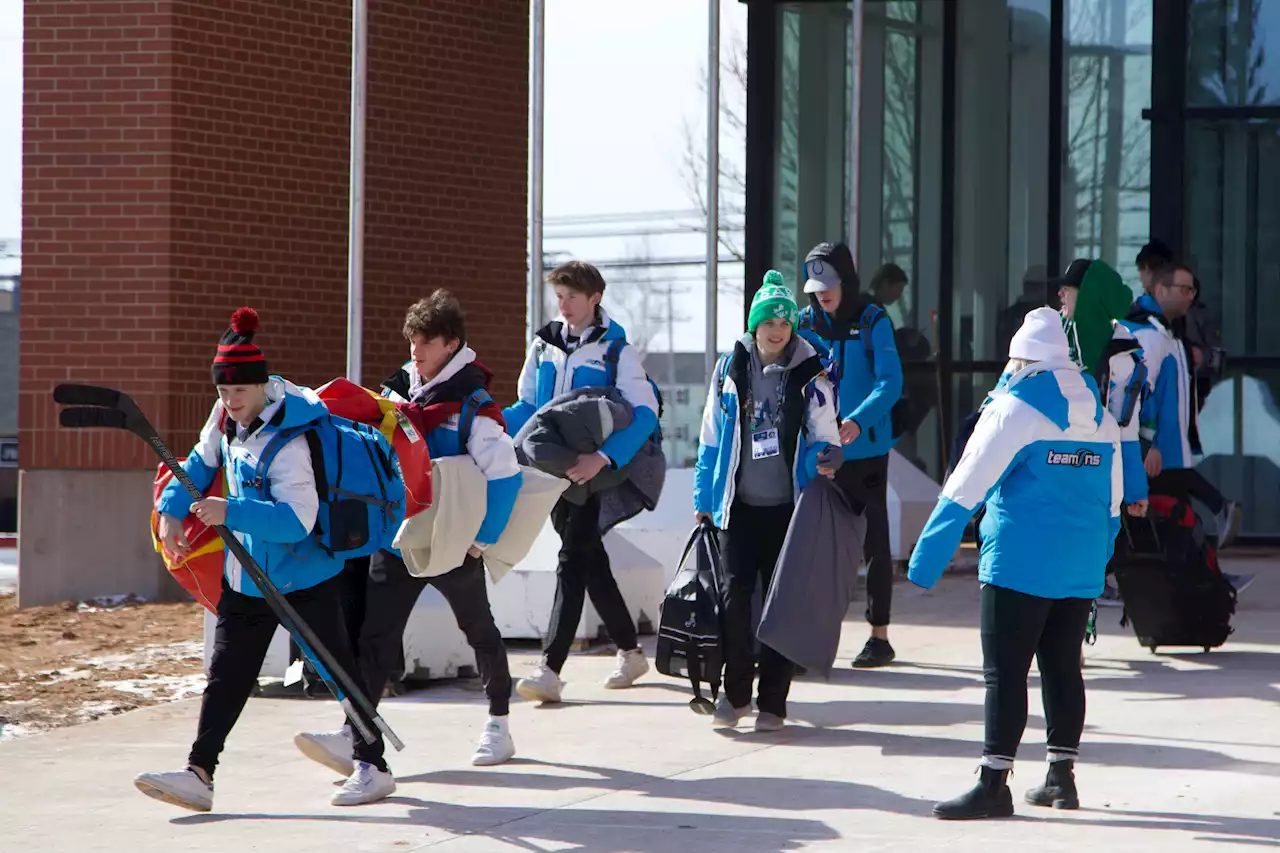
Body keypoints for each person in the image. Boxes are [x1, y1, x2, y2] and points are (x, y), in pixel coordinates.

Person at [136, 308, 393, 811]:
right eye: (223, 392)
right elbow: (199, 461)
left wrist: (229, 510)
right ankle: (199, 773)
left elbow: (297, 519)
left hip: (303, 574)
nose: (230, 402)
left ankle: (374, 766)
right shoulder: (225, 418)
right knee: (227, 676)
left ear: (262, 386)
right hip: (247, 576)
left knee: (338, 671)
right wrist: (169, 512)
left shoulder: (289, 437)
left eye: (239, 392)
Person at [908, 307, 1126, 820]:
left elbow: (967, 483)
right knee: (1062, 669)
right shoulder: (1101, 414)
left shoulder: (1015, 406)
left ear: (1020, 357)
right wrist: (1099, 555)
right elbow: (1114, 500)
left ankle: (993, 783)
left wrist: (925, 560)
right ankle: (1060, 777)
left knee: (1005, 673)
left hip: (1018, 563)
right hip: (1079, 566)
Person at [294, 291, 523, 776]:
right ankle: (356, 737)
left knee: (477, 629)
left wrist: (482, 539)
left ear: (452, 343)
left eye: (425, 342)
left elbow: (506, 475)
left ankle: (499, 722)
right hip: (401, 535)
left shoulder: (474, 405)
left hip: (454, 538)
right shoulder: (398, 389)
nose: (415, 351)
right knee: (375, 637)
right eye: (412, 341)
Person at [505, 261, 660, 703]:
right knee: (590, 559)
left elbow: (644, 414)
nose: (564, 305)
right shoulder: (544, 345)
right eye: (559, 296)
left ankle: (550, 668)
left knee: (572, 560)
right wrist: (492, 426)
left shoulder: (616, 351)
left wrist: (603, 458)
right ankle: (631, 651)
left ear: (595, 298)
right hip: (551, 469)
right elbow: (528, 406)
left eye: (573, 296)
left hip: (593, 474)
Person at [693, 272, 841, 730]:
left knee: (780, 605)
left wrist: (827, 456)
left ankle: (773, 702)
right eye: (769, 321)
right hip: (737, 508)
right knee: (735, 603)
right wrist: (704, 497)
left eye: (785, 322)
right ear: (754, 325)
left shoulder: (810, 370)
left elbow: (825, 432)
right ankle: (735, 696)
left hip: (788, 510)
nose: (777, 330)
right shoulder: (729, 367)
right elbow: (711, 439)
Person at [797, 243, 903, 668]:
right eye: (815, 286)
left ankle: (879, 635)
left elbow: (890, 381)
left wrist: (857, 421)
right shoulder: (804, 323)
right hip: (820, 450)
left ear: (847, 282)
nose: (822, 294)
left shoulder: (873, 319)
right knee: (816, 543)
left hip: (867, 449)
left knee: (874, 541)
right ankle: (809, 635)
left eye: (829, 285)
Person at [1121, 262, 1242, 546]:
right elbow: (1138, 388)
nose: (1191, 296)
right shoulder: (1147, 334)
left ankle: (1202, 577)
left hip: (1168, 453)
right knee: (1153, 527)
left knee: (1175, 526)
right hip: (1153, 455)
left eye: (1193, 290)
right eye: (1185, 289)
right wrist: (1147, 443)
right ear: (1161, 289)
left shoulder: (1168, 333)